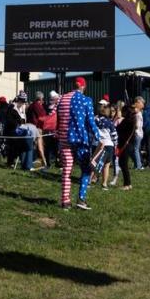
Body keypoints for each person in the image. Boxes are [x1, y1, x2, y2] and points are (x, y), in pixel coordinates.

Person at [57, 77, 101, 210]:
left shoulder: (62, 99)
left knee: (67, 169)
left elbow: (57, 118)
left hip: (64, 138)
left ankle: (65, 201)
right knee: (86, 170)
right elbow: (91, 122)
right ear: (83, 86)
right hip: (80, 139)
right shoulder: (86, 100)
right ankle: (81, 199)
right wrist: (99, 136)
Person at [95, 102, 118, 190]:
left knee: (95, 163)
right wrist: (115, 144)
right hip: (109, 145)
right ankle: (104, 184)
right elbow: (114, 135)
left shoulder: (95, 120)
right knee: (106, 165)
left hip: (98, 143)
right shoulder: (109, 123)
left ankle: (89, 181)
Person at [116, 104, 138, 190]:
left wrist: (117, 120)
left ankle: (127, 184)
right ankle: (128, 184)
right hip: (129, 144)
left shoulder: (126, 121)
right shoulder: (132, 120)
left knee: (123, 164)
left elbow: (118, 129)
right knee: (124, 164)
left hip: (125, 145)